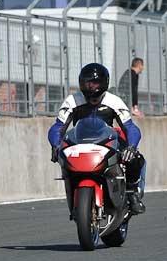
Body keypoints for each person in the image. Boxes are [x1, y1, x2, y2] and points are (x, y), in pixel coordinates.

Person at [47, 63, 147, 214]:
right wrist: (55, 145)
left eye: (96, 83)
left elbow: (130, 128)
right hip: (80, 142)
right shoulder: (72, 101)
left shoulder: (114, 101)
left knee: (136, 158)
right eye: (88, 83)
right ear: (81, 83)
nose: (92, 87)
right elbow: (58, 127)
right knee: (63, 156)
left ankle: (132, 193)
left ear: (104, 83)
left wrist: (131, 147)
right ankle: (75, 194)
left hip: (107, 140)